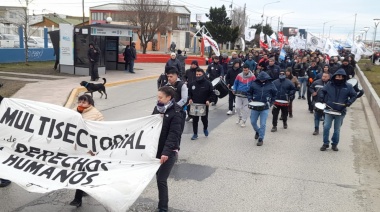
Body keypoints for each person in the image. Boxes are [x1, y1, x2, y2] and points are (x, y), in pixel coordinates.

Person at [69, 94, 104, 207]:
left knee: (82, 171)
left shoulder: (96, 114)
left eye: (84, 102)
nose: (81, 104)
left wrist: (94, 148)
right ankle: (85, 188)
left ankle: (77, 199)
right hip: (75, 147)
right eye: (80, 102)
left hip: (88, 148)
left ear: (90, 103)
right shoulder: (73, 111)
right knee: (78, 170)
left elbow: (101, 131)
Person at [152, 86, 182, 212]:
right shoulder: (157, 108)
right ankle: (162, 205)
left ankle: (163, 208)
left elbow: (173, 134)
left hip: (169, 152)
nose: (158, 99)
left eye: (161, 97)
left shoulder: (176, 112)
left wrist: (166, 152)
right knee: (158, 178)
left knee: (161, 179)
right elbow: (151, 124)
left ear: (168, 98)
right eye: (158, 96)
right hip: (157, 149)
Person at [319, 69, 357, 151]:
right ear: (334, 76)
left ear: (344, 77)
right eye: (337, 76)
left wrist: (348, 102)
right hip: (329, 109)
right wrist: (322, 98)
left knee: (337, 129)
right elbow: (323, 91)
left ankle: (334, 144)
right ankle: (325, 143)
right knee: (326, 127)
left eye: (341, 77)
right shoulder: (329, 84)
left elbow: (354, 95)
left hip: (340, 111)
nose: (339, 78)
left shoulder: (348, 86)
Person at [247, 71, 277, 146]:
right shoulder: (254, 84)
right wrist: (250, 99)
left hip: (265, 107)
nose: (262, 80)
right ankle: (258, 131)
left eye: (264, 79)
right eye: (261, 79)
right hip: (255, 106)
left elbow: (275, 94)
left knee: (263, 124)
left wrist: (271, 103)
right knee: (253, 122)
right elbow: (249, 93)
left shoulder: (271, 84)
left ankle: (261, 138)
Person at [188, 69, 213, 140]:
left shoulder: (208, 83)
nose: (198, 76)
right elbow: (189, 93)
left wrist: (209, 100)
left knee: (204, 119)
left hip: (204, 105)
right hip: (194, 104)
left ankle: (205, 128)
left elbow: (211, 93)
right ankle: (195, 134)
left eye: (199, 74)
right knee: (195, 120)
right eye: (197, 74)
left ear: (203, 75)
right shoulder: (192, 84)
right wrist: (190, 99)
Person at [165, 67, 188, 138]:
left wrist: (174, 106)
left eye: (171, 76)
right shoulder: (166, 86)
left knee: (177, 134)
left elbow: (184, 99)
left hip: (179, 113)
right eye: (168, 76)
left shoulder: (182, 85)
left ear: (176, 76)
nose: (169, 78)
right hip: (168, 113)